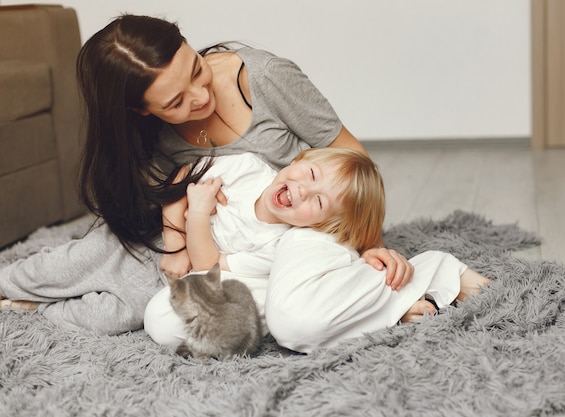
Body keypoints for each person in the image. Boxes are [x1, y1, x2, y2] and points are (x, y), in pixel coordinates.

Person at [0, 14, 412, 334]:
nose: (202, 97)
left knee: (134, 310)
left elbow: (350, 156)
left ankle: (39, 308)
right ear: (142, 111)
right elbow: (167, 199)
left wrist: (367, 244)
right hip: (185, 230)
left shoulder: (265, 77)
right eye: (177, 101)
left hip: (263, 250)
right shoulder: (146, 136)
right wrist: (178, 245)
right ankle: (18, 286)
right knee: (88, 259)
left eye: (197, 70)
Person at [144, 147, 386, 346]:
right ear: (298, 159)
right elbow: (183, 177)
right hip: (173, 254)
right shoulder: (245, 168)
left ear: (322, 225)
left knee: (162, 320)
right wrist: (176, 240)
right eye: (311, 174)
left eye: (319, 201)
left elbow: (206, 265)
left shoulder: (279, 245)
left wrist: (197, 212)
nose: (304, 189)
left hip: (225, 275)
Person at [265, 226, 492, 353]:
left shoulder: (303, 235)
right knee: (432, 263)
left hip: (286, 329)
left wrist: (371, 249)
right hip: (295, 317)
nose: (300, 188)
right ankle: (401, 306)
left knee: (382, 281)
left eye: (319, 199)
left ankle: (411, 299)